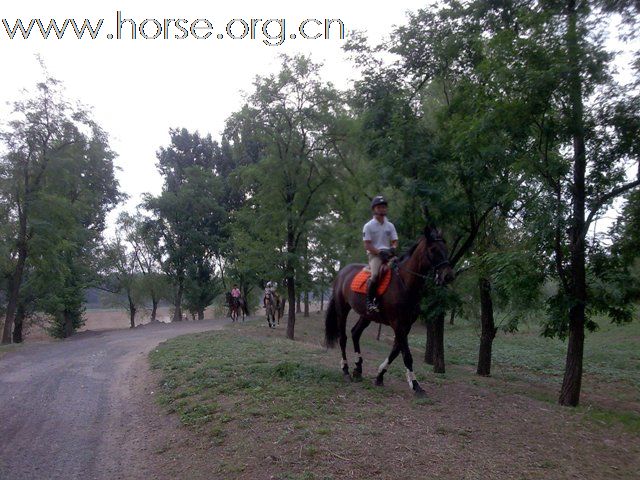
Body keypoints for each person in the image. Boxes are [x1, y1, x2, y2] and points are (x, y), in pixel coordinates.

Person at [362, 195, 398, 313]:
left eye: (384, 207)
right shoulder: (368, 226)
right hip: (375, 255)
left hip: (388, 254)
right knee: (376, 274)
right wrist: (379, 252)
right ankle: (369, 302)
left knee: (401, 269)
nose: (382, 209)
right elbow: (367, 245)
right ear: (374, 209)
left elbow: (395, 241)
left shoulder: (390, 225)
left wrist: (393, 248)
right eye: (379, 207)